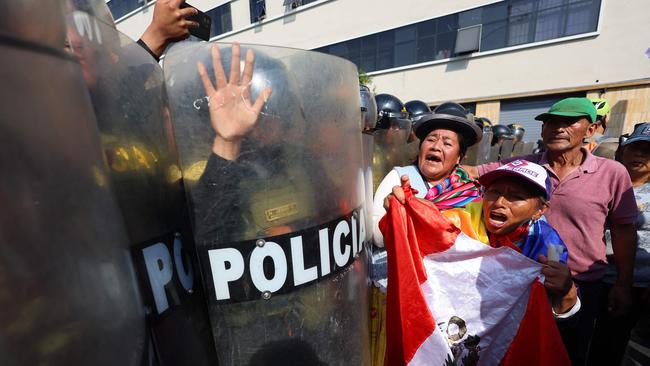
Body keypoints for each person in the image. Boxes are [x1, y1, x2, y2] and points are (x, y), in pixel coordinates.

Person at [464, 97, 638, 365]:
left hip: (580, 285)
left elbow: (623, 231)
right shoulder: (524, 167)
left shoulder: (612, 173)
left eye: (568, 122)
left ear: (591, 130)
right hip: (520, 284)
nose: (558, 128)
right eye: (551, 122)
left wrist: (623, 284)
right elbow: (471, 172)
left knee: (567, 354)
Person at [372, 101, 483, 247]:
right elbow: (377, 238)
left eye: (447, 143)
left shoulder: (469, 192)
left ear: (458, 157)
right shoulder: (399, 177)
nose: (436, 147)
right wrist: (396, 215)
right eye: (430, 139)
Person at [589, 122, 650, 365]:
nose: (639, 155)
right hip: (593, 276)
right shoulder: (599, 183)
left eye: (647, 150)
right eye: (635, 148)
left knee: (613, 346)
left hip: (637, 284)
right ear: (622, 151)